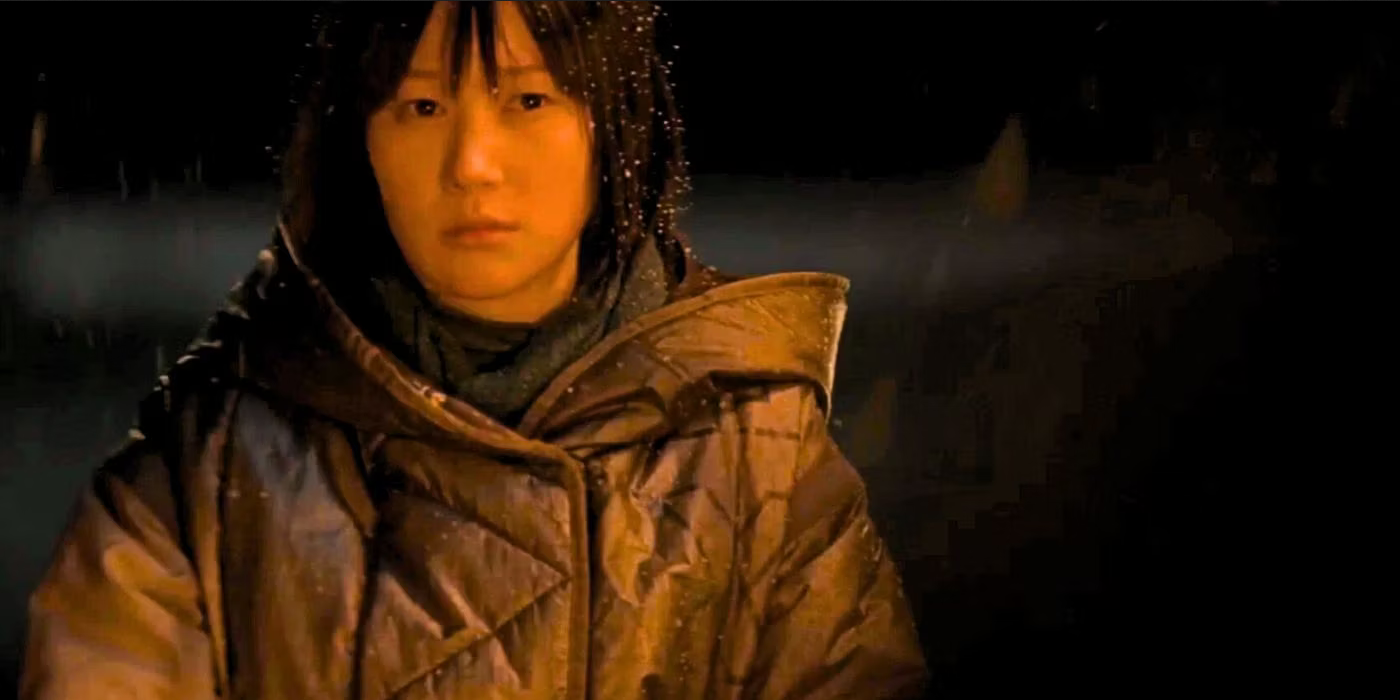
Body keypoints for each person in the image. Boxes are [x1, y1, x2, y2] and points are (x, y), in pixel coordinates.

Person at [19, 2, 928, 698]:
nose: (472, 163)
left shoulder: (753, 454)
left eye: (528, 99)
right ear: (361, 139)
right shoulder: (211, 463)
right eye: (421, 105)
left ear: (611, 126)